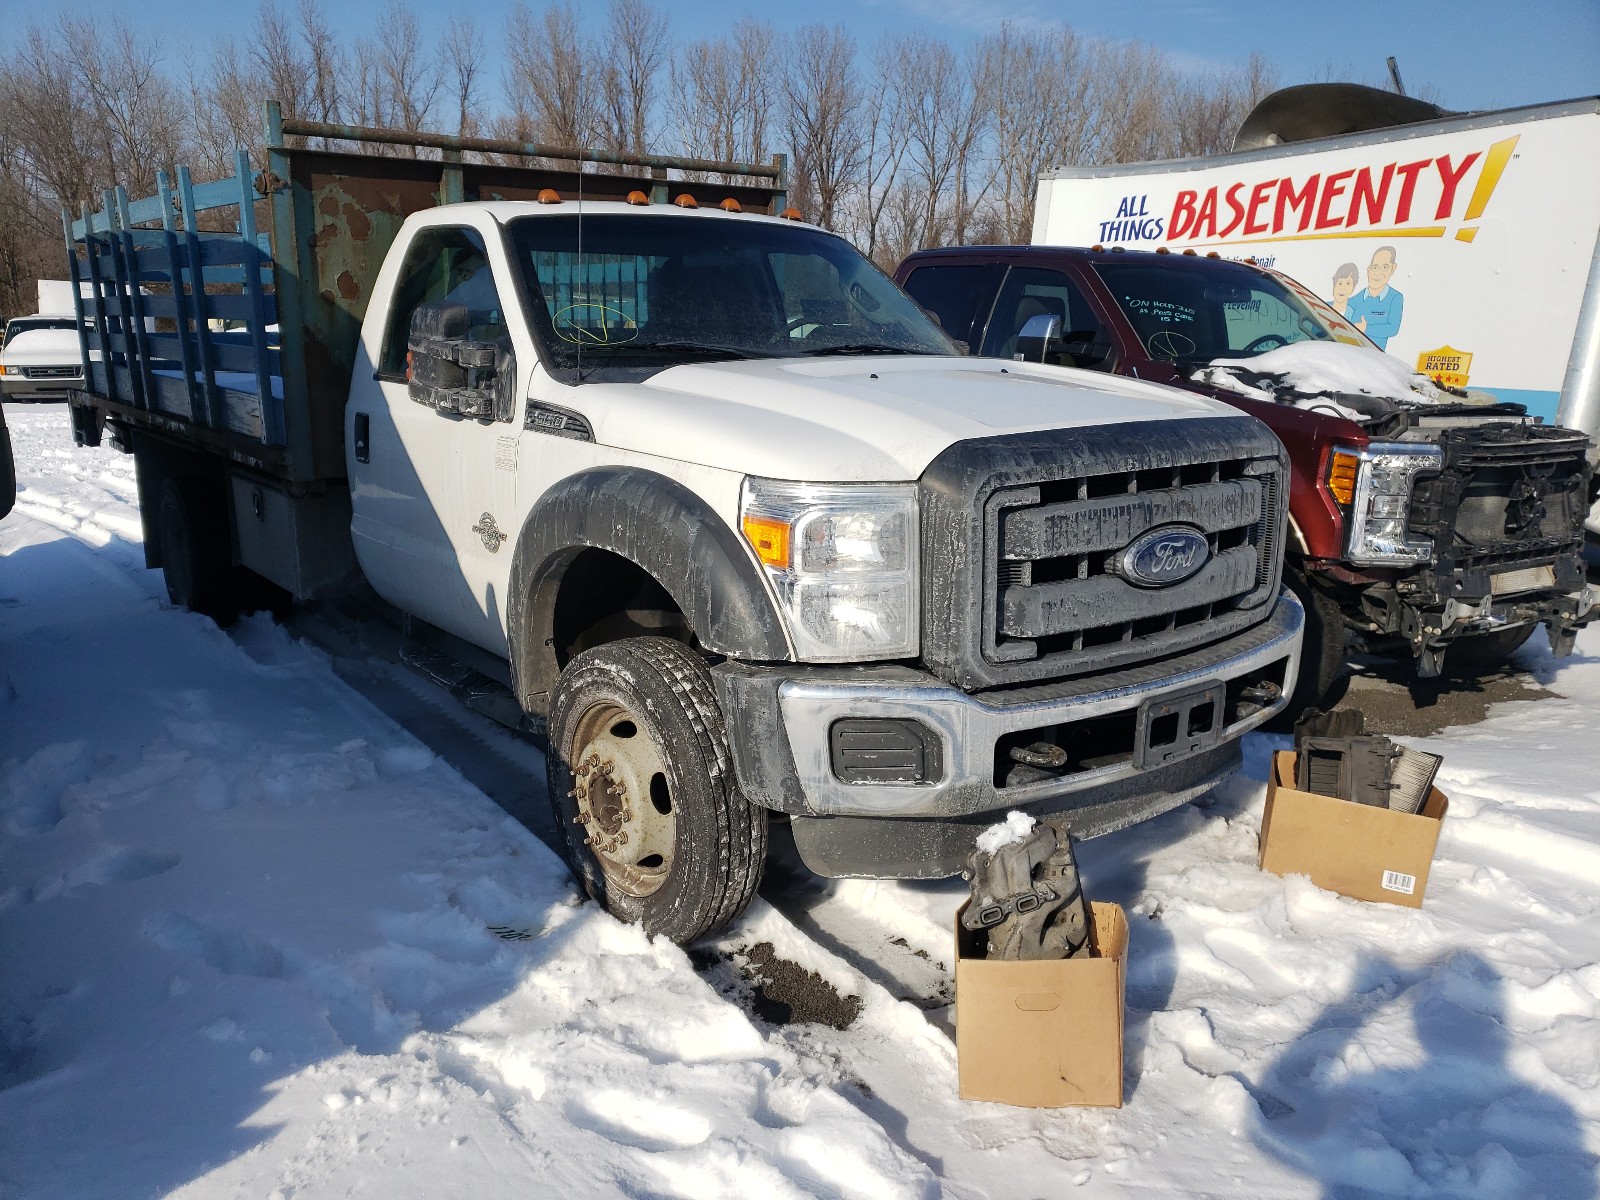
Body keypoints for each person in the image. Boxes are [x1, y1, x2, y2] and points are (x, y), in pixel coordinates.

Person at [1345, 246, 1403, 349]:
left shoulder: (1395, 298)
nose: (1378, 273)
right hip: (1350, 355)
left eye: (1385, 267)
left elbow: (1393, 329)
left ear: (1393, 268)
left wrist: (1366, 328)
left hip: (1375, 359)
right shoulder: (1355, 300)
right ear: (1369, 270)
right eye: (1375, 267)